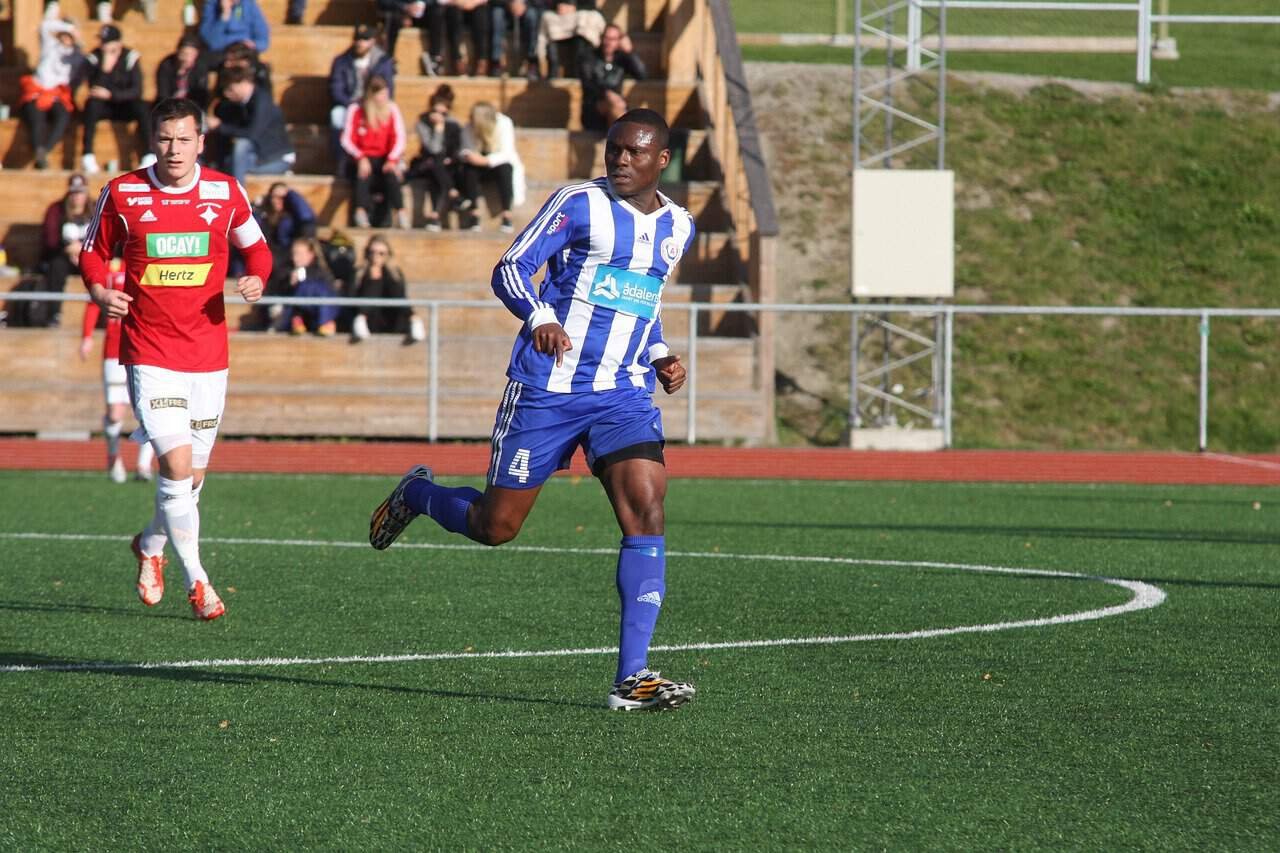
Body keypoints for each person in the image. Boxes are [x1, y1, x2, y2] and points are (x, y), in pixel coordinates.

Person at [368, 109, 697, 711]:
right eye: (613, 149)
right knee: (497, 528)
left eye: (635, 152)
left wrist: (659, 352)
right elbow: (511, 269)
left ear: (662, 161)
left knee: (647, 510)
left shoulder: (679, 226)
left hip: (622, 393)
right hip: (547, 388)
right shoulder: (578, 203)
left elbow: (641, 300)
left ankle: (632, 678)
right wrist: (541, 318)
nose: (621, 160)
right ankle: (418, 494)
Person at [79, 96, 272, 621]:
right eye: (165, 138)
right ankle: (200, 583)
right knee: (175, 466)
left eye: (184, 138)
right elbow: (93, 252)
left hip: (209, 355)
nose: (174, 148)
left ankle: (148, 544)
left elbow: (257, 249)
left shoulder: (226, 192)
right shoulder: (123, 193)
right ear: (153, 141)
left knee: (190, 482)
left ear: (201, 142)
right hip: (150, 351)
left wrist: (257, 276)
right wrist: (99, 291)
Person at [79, 257, 157, 483]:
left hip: (145, 347)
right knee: (115, 413)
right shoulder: (111, 268)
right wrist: (87, 337)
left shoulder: (151, 263)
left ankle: (143, 465)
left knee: (150, 409)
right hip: (114, 349)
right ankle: (113, 456)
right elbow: (94, 302)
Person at [76, 24, 153, 174]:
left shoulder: (130, 57)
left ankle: (149, 154)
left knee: (142, 107)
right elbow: (95, 89)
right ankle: (88, 155)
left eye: (107, 42)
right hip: (104, 107)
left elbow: (137, 90)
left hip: (124, 105)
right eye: (102, 41)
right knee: (91, 105)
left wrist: (113, 95)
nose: (103, 45)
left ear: (118, 43)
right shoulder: (95, 58)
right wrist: (105, 70)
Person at [206, 65, 296, 184]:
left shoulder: (262, 101)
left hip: (277, 159)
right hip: (258, 158)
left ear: (243, 83)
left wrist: (219, 126)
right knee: (228, 164)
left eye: (230, 89)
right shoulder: (242, 103)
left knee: (241, 146)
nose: (227, 94)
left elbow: (252, 134)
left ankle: (239, 196)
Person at [340, 75, 409, 229]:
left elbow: (399, 137)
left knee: (391, 175)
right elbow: (347, 139)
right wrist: (360, 157)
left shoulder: (392, 109)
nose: (384, 97)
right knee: (363, 174)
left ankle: (401, 211)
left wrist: (392, 159)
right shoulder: (356, 109)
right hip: (361, 157)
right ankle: (360, 210)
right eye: (380, 94)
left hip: (384, 157)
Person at [18, 13, 82, 170]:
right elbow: (45, 26)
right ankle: (39, 150)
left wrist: (77, 38)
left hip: (57, 95)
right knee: (35, 118)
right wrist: (69, 27)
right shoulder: (50, 46)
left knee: (63, 117)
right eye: (65, 35)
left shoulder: (77, 56)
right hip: (37, 92)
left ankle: (44, 151)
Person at [457, 101, 525, 233]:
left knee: (506, 168)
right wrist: (469, 156)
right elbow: (464, 149)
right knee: (469, 169)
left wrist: (485, 160)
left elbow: (507, 153)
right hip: (477, 166)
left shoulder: (504, 123)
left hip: (496, 164)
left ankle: (507, 215)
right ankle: (474, 214)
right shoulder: (469, 127)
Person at [35, 172, 93, 326]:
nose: (76, 196)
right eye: (73, 192)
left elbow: (104, 235)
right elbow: (50, 238)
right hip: (63, 256)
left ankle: (101, 315)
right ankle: (54, 314)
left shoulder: (95, 209)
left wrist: (83, 250)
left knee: (100, 268)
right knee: (56, 266)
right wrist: (68, 249)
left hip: (88, 255)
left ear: (86, 193)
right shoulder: (56, 210)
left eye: (80, 192)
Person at [328, 24, 396, 155]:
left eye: (364, 40)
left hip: (376, 104)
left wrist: (373, 103)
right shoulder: (341, 61)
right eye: (358, 39)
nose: (360, 43)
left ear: (372, 41)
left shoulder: (382, 62)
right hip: (350, 104)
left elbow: (389, 90)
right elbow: (336, 90)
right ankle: (341, 159)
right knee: (337, 115)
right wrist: (353, 105)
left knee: (391, 112)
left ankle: (386, 156)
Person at [407, 84, 464, 231]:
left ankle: (435, 216)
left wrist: (450, 159)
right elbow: (433, 148)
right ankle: (452, 194)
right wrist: (438, 129)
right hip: (427, 162)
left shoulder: (454, 124)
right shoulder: (423, 123)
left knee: (439, 171)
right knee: (436, 166)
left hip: (447, 164)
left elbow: (457, 148)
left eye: (444, 113)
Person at [349, 234, 424, 342]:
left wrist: (383, 275)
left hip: (391, 318)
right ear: (367, 253)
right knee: (375, 284)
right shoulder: (359, 272)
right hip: (367, 318)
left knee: (392, 285)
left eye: (381, 253)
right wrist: (373, 280)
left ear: (388, 255)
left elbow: (400, 295)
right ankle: (362, 317)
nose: (376, 256)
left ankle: (413, 318)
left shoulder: (394, 273)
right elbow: (351, 295)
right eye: (372, 252)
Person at [577, 23, 645, 132]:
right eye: (606, 38)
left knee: (617, 106)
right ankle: (619, 139)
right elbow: (588, 84)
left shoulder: (622, 59)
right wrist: (607, 94)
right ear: (601, 38)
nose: (608, 42)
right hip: (594, 108)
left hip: (617, 107)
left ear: (619, 41)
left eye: (613, 39)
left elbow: (641, 74)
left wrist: (630, 52)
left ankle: (616, 139)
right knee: (614, 103)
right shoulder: (588, 57)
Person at [274, 237, 338, 335]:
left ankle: (325, 322)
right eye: (294, 253)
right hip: (293, 315)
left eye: (299, 253)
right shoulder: (286, 272)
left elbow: (329, 291)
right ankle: (298, 320)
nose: (295, 258)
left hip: (316, 315)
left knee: (314, 287)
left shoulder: (322, 273)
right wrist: (290, 284)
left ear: (311, 254)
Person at [537, 0, 605, 79]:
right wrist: (558, 6)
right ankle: (552, 77)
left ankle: (579, 77)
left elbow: (592, 6)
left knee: (582, 45)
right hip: (557, 23)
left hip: (579, 31)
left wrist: (574, 8)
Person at [489, 0, 546, 79]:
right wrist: (509, 4)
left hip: (527, 10)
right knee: (497, 14)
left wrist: (525, 5)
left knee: (532, 15)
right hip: (505, 10)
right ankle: (496, 63)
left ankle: (532, 62)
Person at [199, 0, 271, 56]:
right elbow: (212, 42)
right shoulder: (212, 5)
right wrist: (225, 15)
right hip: (221, 50)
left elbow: (263, 38)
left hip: (244, 50)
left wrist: (254, 44)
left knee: (261, 70)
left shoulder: (249, 4)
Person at [155, 35, 209, 108]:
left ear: (196, 54)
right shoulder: (166, 65)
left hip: (193, 106)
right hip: (170, 105)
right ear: (178, 52)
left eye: (190, 54)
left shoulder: (200, 67)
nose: (185, 58)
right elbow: (163, 93)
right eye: (183, 53)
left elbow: (201, 94)